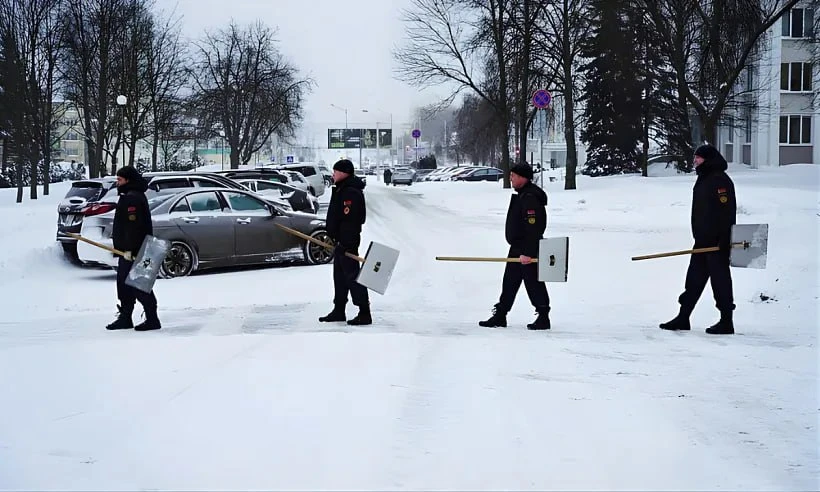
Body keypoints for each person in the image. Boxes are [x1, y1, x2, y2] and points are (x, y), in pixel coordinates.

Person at [660, 143, 736, 335]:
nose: (694, 160)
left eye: (698, 157)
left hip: (717, 243)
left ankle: (726, 321)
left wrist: (724, 239)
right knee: (693, 279)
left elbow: (726, 213)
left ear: (707, 159)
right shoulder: (704, 178)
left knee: (720, 281)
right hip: (702, 241)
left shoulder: (719, 180)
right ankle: (683, 317)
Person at [479, 163, 551, 330]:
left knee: (533, 282)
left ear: (523, 178)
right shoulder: (523, 195)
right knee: (510, 281)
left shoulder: (530, 197)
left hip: (527, 249)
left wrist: (527, 252)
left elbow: (533, 228)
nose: (510, 178)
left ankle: (543, 316)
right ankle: (500, 315)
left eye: (513, 176)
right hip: (518, 247)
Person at [105, 166, 161, 331]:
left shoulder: (132, 199)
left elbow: (133, 227)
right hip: (130, 250)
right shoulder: (131, 196)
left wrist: (129, 250)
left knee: (138, 285)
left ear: (128, 180)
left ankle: (151, 319)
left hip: (134, 251)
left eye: (120, 179)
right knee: (125, 285)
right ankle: (126, 317)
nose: (117, 182)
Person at [319, 159, 371, 325]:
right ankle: (339, 310)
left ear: (343, 173)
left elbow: (351, 221)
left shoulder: (351, 192)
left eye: (335, 172)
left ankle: (364, 312)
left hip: (347, 243)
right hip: (340, 241)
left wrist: (346, 244)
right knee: (340, 277)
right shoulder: (342, 189)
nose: (333, 175)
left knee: (353, 277)